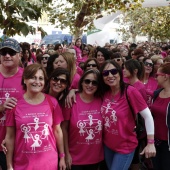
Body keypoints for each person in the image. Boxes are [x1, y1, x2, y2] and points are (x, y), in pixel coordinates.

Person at [5, 63, 66, 170]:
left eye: (41, 78)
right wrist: (9, 166)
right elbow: (10, 137)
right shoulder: (14, 104)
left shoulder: (52, 102)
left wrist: (62, 157)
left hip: (49, 163)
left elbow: (57, 131)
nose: (37, 82)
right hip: (23, 164)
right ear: (24, 80)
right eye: (33, 77)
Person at [100, 60, 156, 170]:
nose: (110, 75)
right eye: (106, 73)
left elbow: (148, 116)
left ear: (120, 73)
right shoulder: (105, 92)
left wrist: (150, 142)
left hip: (125, 146)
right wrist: (74, 91)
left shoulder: (130, 91)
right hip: (108, 145)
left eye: (113, 71)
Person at [62, 69, 104, 170]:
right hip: (75, 158)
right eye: (87, 81)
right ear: (81, 82)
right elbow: (64, 129)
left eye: (94, 82)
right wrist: (66, 154)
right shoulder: (71, 100)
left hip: (96, 158)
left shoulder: (102, 100)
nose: (90, 85)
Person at [0, 38, 24, 170]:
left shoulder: (27, 77)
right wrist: (2, 107)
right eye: (3, 52)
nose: (7, 55)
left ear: (19, 54)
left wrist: (74, 90)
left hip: (17, 143)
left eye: (11, 52)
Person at [151, 63, 170, 170]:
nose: (155, 77)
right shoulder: (157, 93)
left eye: (157, 74)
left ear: (166, 76)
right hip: (155, 141)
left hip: (168, 144)